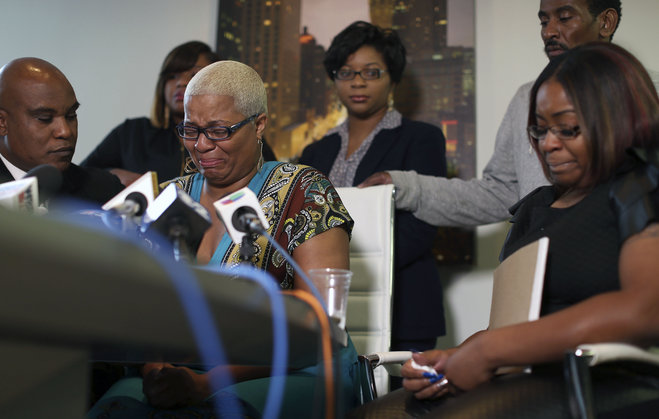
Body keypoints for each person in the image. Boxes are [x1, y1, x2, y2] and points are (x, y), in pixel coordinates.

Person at [350, 42, 659, 418]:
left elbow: (646, 309)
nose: (548, 144)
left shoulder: (639, 188)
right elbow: (510, 323)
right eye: (540, 130)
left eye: (567, 129)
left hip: (606, 381)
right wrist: (455, 358)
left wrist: (488, 353)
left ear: (616, 118)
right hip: (525, 375)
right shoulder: (536, 207)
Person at [88, 60, 358, 418]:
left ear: (259, 123)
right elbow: (145, 310)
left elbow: (317, 321)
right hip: (182, 371)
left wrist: (206, 383)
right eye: (190, 129)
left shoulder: (304, 191)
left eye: (218, 131)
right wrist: (158, 372)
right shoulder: (169, 197)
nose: (200, 145)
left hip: (293, 368)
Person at [360, 0, 659, 228]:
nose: (549, 31)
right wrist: (405, 187)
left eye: (564, 17)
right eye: (544, 21)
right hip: (541, 280)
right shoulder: (526, 99)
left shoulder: (651, 93)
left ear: (606, 22)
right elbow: (501, 193)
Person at [299, 21, 447, 362]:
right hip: (328, 305)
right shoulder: (314, 153)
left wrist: (352, 267)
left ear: (393, 78)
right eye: (346, 72)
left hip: (405, 306)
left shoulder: (421, 139)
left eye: (371, 72)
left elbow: (422, 227)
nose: (358, 82)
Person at [80, 41, 280, 187]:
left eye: (194, 75)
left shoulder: (250, 138)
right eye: (172, 76)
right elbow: (80, 176)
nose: (181, 83)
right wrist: (116, 176)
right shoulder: (131, 133)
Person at [0, 57, 123, 205]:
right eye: (45, 118)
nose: (65, 132)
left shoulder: (104, 190)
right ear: (2, 123)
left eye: (71, 116)